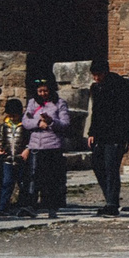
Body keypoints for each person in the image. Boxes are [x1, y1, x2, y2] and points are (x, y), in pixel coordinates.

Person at [80, 57, 129, 217]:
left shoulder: (120, 87)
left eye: (98, 75)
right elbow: (96, 112)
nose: (96, 78)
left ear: (105, 72)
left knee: (111, 168)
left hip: (117, 135)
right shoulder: (96, 88)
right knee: (97, 165)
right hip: (101, 134)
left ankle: (112, 204)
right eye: (94, 75)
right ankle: (110, 199)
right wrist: (91, 133)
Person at [22, 79, 73, 217]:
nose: (43, 94)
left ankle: (51, 207)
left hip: (52, 145)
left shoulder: (59, 103)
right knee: (33, 177)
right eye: (40, 91)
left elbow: (65, 123)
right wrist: (38, 123)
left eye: (45, 91)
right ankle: (30, 206)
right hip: (36, 145)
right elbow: (26, 121)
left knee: (51, 179)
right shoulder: (32, 103)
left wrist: (51, 122)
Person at [0, 99, 32, 217]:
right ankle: (2, 207)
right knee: (7, 183)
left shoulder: (26, 126)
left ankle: (22, 206)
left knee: (23, 184)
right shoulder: (5, 126)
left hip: (21, 159)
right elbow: (1, 141)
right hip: (8, 160)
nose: (12, 118)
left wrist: (27, 150)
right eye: (10, 115)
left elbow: (30, 140)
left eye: (14, 115)